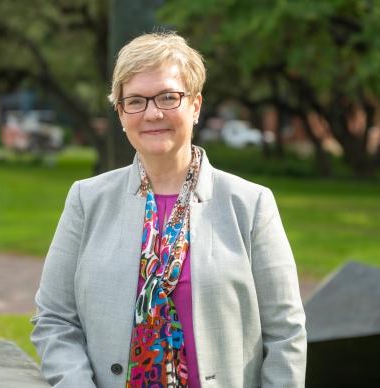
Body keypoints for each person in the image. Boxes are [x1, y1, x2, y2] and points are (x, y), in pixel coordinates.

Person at [31, 32, 307, 388]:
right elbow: (54, 320)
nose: (153, 113)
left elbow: (285, 333)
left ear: (195, 105)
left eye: (168, 96)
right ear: (120, 113)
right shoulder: (87, 200)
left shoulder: (250, 205)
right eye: (135, 101)